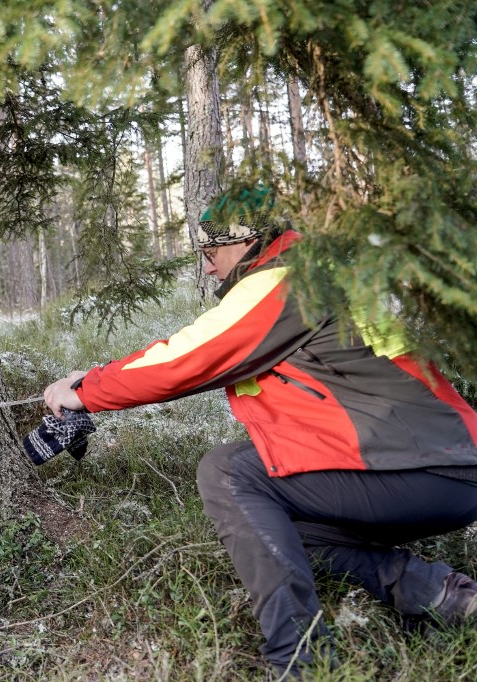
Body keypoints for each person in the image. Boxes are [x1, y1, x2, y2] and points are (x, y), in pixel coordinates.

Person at [42, 186, 477, 677]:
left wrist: (85, 390)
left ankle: (299, 662)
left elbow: (185, 358)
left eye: (211, 252)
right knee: (275, 531)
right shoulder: (315, 276)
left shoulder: (285, 281)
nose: (207, 267)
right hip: (435, 466)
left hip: (421, 464)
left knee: (229, 472)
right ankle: (437, 595)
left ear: (247, 242)